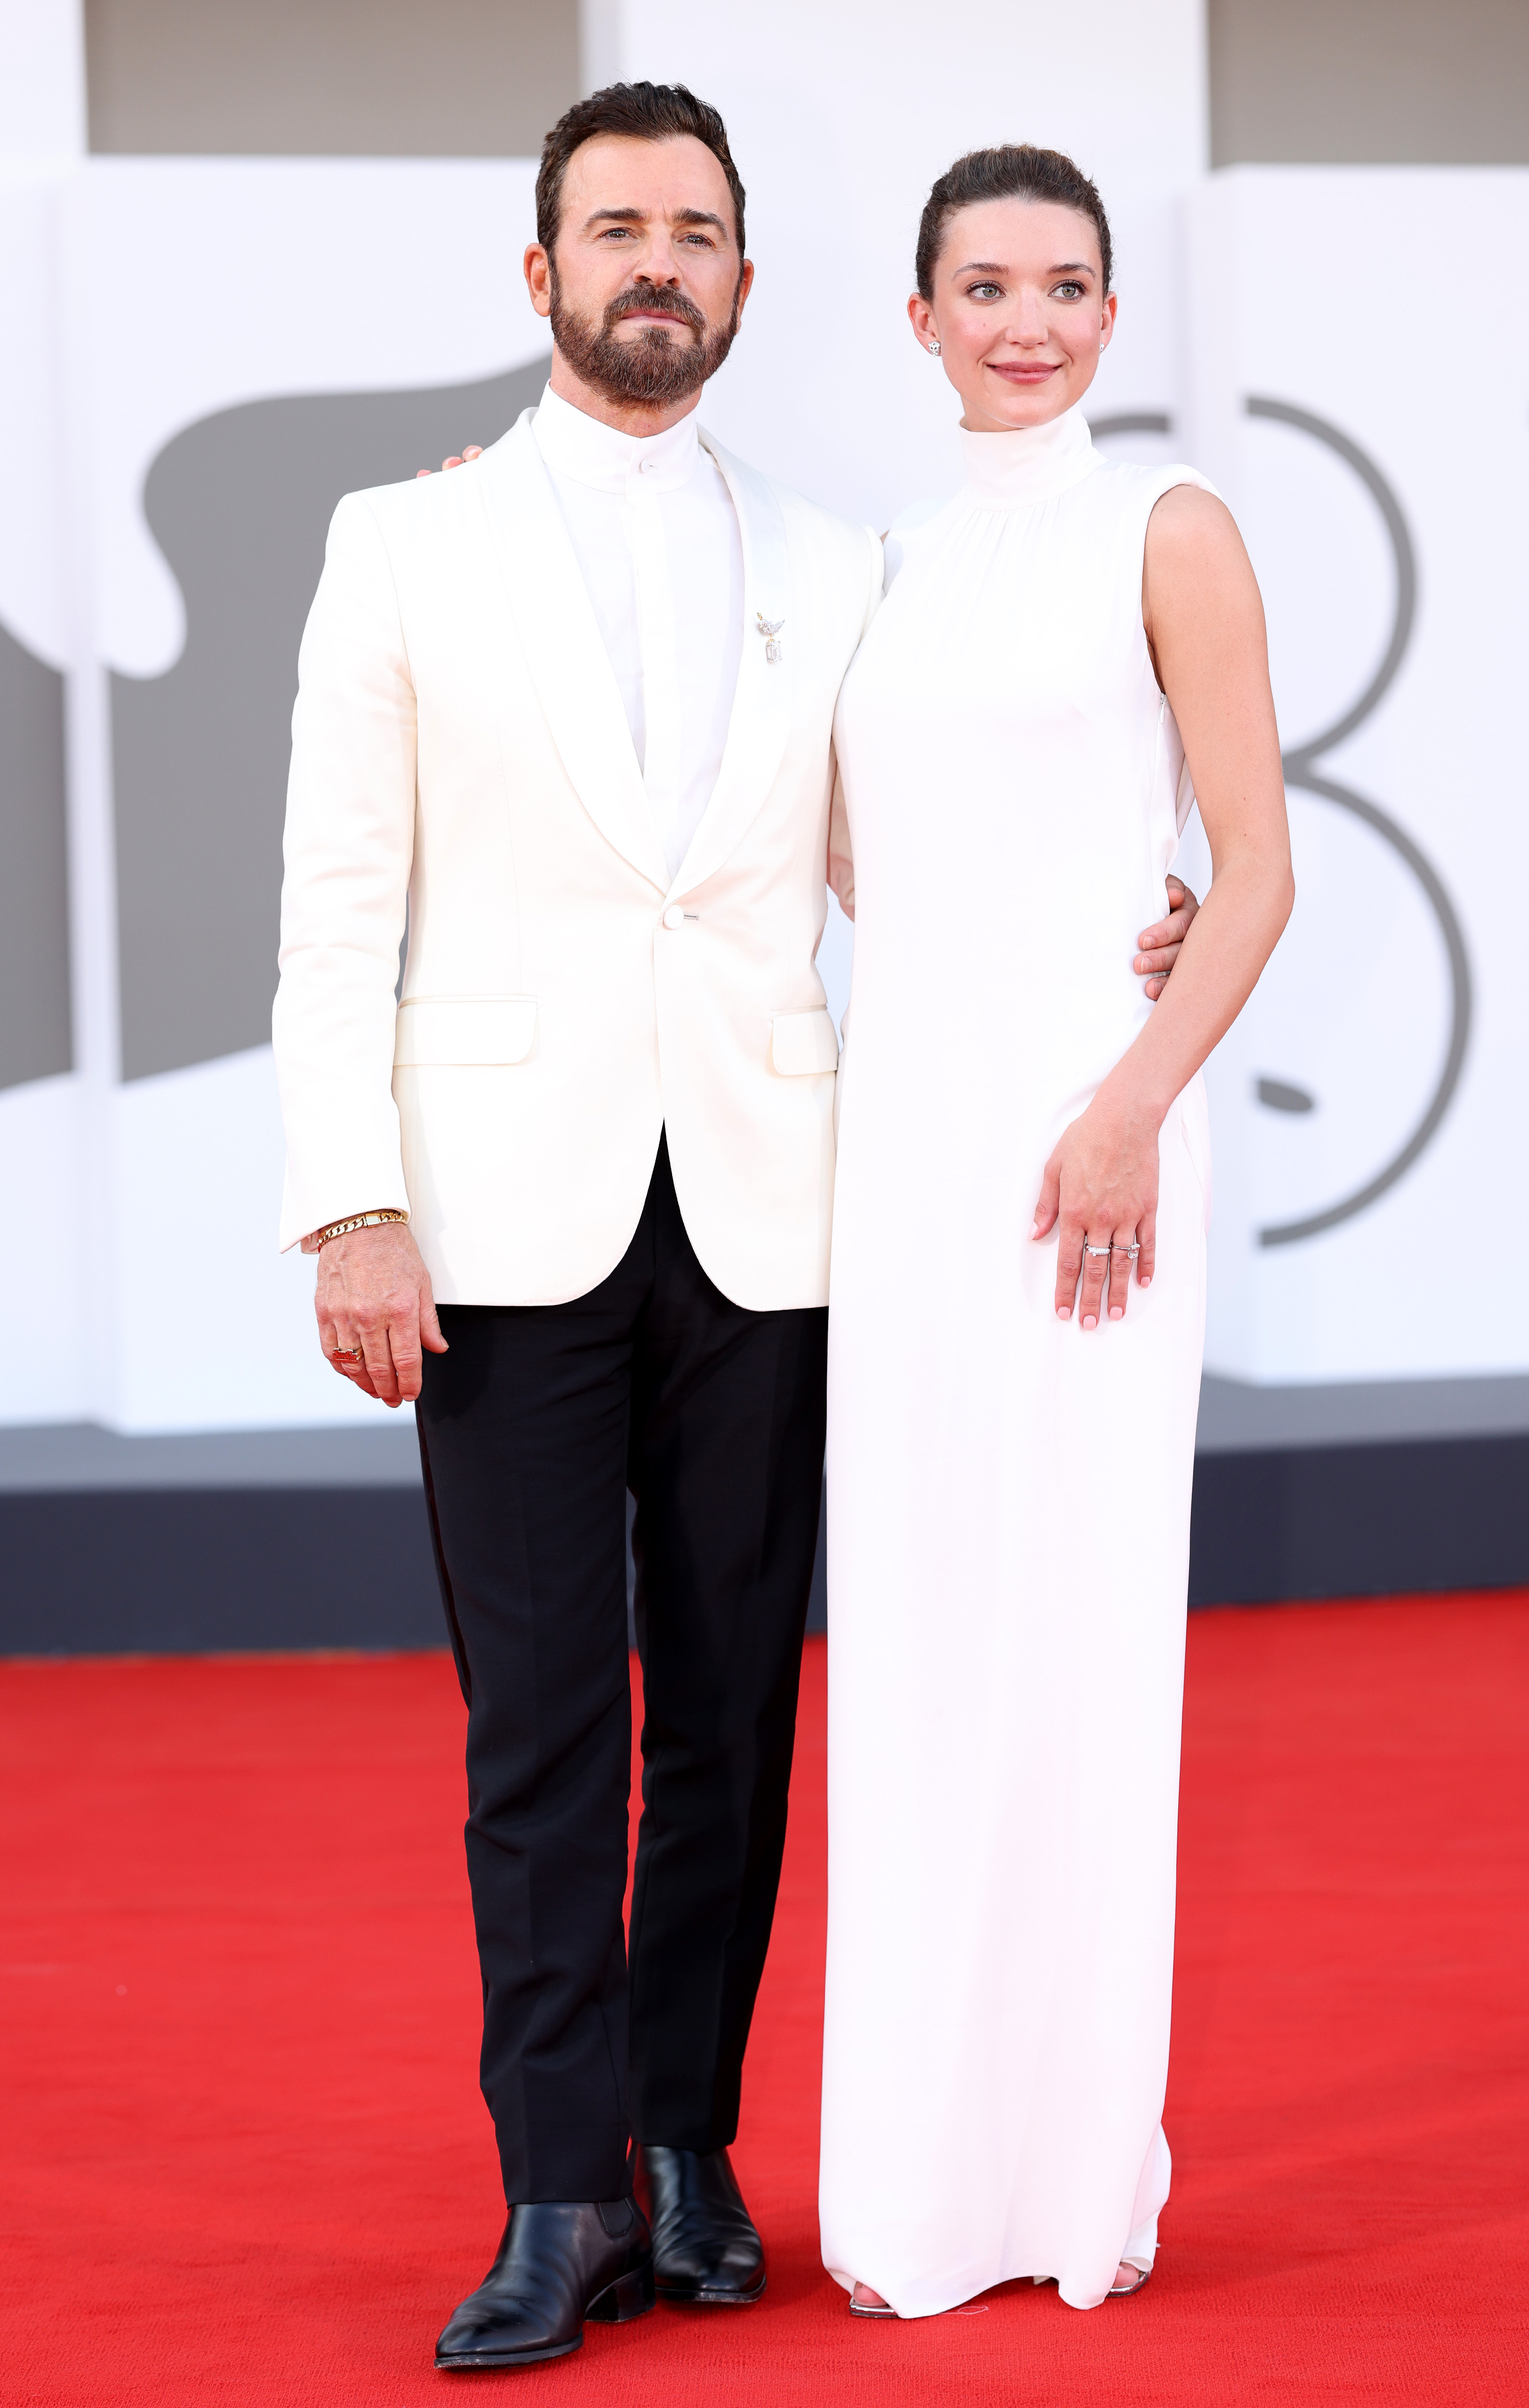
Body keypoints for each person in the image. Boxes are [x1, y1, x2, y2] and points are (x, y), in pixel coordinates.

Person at [274, 87, 1201, 2370]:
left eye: (696, 230)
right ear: (543, 273)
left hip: (791, 1208)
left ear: (751, 288)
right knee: (538, 1731)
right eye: (617, 229)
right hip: (492, 1212)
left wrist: (1134, 926)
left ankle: (690, 2149)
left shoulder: (835, 557)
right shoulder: (402, 540)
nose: (656, 262)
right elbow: (335, 901)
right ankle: (559, 2187)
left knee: (734, 1718)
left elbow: (923, 840)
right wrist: (352, 1201)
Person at [818, 146, 1293, 2319]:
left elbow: (1256, 864)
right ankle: (920, 2181)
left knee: (1082, 1646)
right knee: (917, 1649)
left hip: (1093, 1167)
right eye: (984, 283)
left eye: (1068, 284)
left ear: (1114, 317)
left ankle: (1069, 2174)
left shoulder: (1168, 530)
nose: (1029, 317)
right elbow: (852, 868)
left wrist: (1127, 1105)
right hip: (906, 1159)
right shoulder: (875, 568)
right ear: (918, 318)